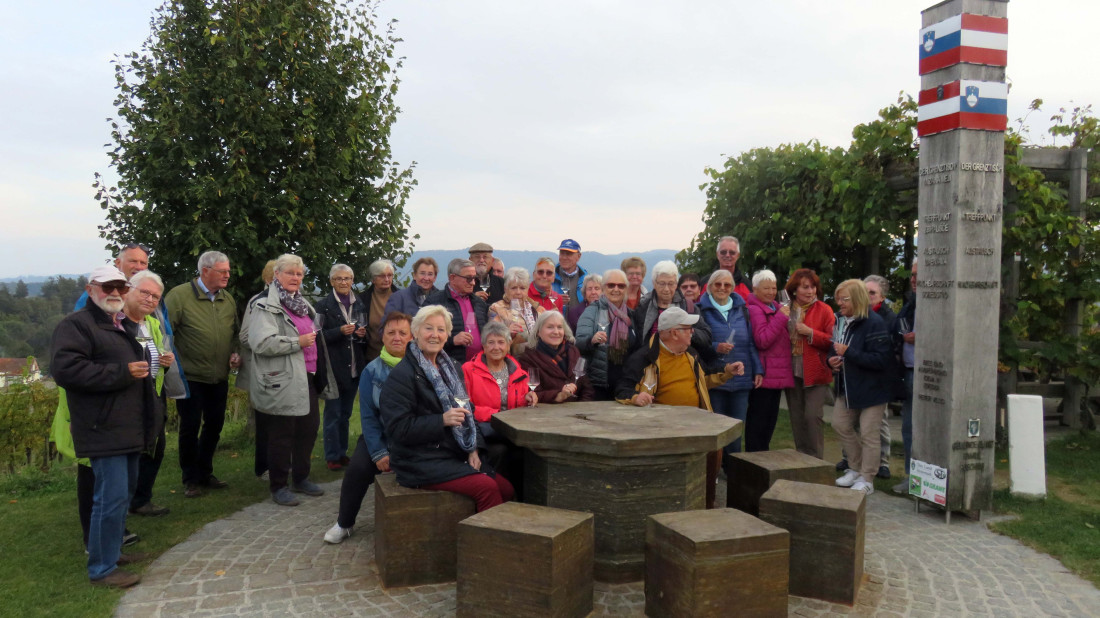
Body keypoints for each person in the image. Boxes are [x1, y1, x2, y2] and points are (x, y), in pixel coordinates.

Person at [50, 265, 163, 588]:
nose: (115, 293)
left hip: (126, 426)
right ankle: (101, 569)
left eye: (120, 288)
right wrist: (123, 372)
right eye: (107, 287)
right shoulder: (77, 325)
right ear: (90, 289)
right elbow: (67, 370)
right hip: (102, 426)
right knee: (109, 498)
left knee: (121, 495)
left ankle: (111, 553)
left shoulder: (117, 324)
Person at [379, 305, 515, 512]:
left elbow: (468, 413)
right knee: (487, 488)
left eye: (441, 329)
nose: (435, 335)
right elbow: (398, 429)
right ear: (415, 333)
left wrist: (474, 448)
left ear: (447, 335)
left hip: (452, 452)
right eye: (428, 328)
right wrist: (441, 420)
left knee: (506, 488)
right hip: (418, 461)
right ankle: (489, 543)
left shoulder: (452, 368)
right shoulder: (402, 375)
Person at [615, 307, 744, 509]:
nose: (693, 332)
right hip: (663, 430)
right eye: (688, 328)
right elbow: (621, 389)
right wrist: (635, 397)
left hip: (697, 424)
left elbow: (705, 377)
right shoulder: (644, 358)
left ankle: (707, 505)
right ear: (674, 333)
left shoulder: (690, 353)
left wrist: (727, 371)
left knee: (714, 450)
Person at [245, 254, 338, 506]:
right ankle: (278, 486)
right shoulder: (265, 305)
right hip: (283, 379)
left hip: (308, 376)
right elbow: (260, 342)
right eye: (290, 273)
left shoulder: (302, 304)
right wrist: (296, 342)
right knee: (282, 434)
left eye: (299, 274)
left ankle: (301, 478)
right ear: (277, 275)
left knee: (308, 430)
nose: (295, 278)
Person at [324, 311, 413, 543]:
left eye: (403, 333)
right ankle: (344, 523)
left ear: (412, 337)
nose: (397, 337)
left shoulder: (421, 368)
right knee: (358, 469)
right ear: (382, 337)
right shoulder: (371, 371)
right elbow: (368, 417)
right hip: (380, 436)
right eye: (391, 332)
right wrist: (379, 452)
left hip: (412, 437)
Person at [164, 250, 240, 498]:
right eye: (223, 271)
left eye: (228, 271)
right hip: (190, 376)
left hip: (219, 376)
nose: (228, 275)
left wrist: (236, 352)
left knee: (215, 425)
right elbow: (166, 333)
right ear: (205, 271)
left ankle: (206, 472)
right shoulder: (179, 296)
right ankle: (190, 479)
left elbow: (236, 333)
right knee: (190, 426)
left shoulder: (227, 299)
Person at [829, 280, 894, 495]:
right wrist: (832, 361)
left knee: (869, 434)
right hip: (847, 387)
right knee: (839, 424)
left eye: (844, 299)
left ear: (857, 299)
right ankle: (855, 467)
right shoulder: (839, 320)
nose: (840, 303)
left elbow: (881, 360)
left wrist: (849, 353)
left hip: (873, 389)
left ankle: (868, 479)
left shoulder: (874, 323)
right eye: (838, 298)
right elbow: (834, 348)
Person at [462, 321, 538, 495]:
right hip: (484, 433)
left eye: (501, 342)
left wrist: (529, 398)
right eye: (491, 342)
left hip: (511, 432)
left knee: (528, 452)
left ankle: (524, 497)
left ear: (509, 344)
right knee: (500, 452)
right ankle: (499, 497)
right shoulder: (468, 370)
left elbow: (521, 405)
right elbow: (467, 407)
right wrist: (498, 416)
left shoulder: (519, 371)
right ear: (483, 345)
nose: (496, 347)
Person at [122, 271, 175, 517]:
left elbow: (156, 355)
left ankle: (141, 499)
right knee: (129, 456)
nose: (150, 300)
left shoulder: (151, 323)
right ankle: (123, 506)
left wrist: (166, 359)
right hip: (126, 401)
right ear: (128, 291)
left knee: (156, 448)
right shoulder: (118, 324)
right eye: (145, 292)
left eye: (155, 297)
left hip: (153, 395)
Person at [698, 269, 762, 461]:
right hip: (715, 377)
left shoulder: (742, 309)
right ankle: (716, 465)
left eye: (726, 285)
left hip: (741, 377)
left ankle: (732, 466)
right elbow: (697, 342)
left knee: (736, 426)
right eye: (717, 284)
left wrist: (758, 369)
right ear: (709, 288)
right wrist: (716, 347)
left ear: (732, 288)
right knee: (716, 425)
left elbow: (751, 343)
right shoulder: (700, 309)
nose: (722, 288)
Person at [315, 264, 369, 471]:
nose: (344, 282)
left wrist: (361, 335)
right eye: (339, 279)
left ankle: (342, 452)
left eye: (347, 278)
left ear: (352, 281)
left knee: (345, 414)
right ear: (331, 282)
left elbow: (362, 331)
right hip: (333, 368)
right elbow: (316, 336)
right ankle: (331, 456)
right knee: (333, 414)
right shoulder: (322, 306)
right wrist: (339, 331)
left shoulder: (359, 303)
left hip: (354, 367)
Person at [783, 268, 835, 460]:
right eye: (805, 287)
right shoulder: (785, 308)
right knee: (797, 418)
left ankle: (815, 460)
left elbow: (832, 340)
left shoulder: (824, 309)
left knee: (812, 417)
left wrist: (810, 332)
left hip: (816, 371)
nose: (810, 291)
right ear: (794, 289)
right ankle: (801, 457)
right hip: (791, 370)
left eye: (813, 287)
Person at [744, 269, 794, 452]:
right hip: (764, 376)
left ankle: (763, 464)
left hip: (776, 374)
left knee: (769, 423)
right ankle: (754, 463)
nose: (771, 292)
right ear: (755, 289)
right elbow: (762, 340)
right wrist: (781, 318)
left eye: (774, 288)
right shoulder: (756, 310)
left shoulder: (775, 308)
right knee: (758, 424)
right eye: (766, 288)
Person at [238, 259, 277, 481]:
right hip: (262, 369)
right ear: (268, 279)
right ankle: (263, 467)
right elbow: (245, 336)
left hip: (282, 372)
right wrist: (269, 345)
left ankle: (280, 464)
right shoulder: (258, 301)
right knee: (265, 421)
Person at [575, 269, 637, 400]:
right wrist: (591, 341)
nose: (616, 289)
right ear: (603, 288)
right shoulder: (592, 311)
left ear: (626, 289)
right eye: (611, 285)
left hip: (625, 386)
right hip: (598, 386)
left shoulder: (630, 315)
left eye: (621, 286)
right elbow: (579, 343)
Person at [633, 260, 711, 352]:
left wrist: (687, 331)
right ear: (654, 284)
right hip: (650, 361)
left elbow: (707, 337)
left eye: (670, 284)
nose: (666, 289)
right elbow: (636, 341)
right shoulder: (643, 306)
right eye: (662, 284)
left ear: (676, 285)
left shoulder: (688, 306)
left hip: (680, 361)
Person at [519, 310, 596, 403]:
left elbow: (586, 386)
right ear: (538, 332)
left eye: (560, 327)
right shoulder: (529, 358)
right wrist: (558, 395)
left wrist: (582, 407)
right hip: (546, 414)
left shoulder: (573, 351)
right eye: (550, 327)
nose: (556, 332)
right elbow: (532, 394)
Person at [427, 258, 489, 365]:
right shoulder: (434, 302)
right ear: (452, 278)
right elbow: (423, 339)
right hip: (448, 367)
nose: (473, 283)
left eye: (475, 278)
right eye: (468, 278)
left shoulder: (479, 303)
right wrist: (452, 340)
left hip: (479, 367)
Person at [893, 260, 918, 495]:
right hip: (909, 371)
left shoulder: (939, 301)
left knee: (923, 427)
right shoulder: (911, 304)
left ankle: (928, 478)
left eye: (918, 275)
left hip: (929, 372)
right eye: (912, 275)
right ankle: (912, 477)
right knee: (908, 426)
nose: (914, 279)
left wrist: (920, 338)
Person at [488, 267, 544, 356]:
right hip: (512, 361)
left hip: (538, 360)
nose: (518, 292)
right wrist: (508, 333)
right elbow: (492, 338)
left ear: (527, 289)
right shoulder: (497, 308)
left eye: (522, 288)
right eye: (513, 288)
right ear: (506, 289)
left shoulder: (537, 309)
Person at [361, 259, 399, 362]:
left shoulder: (402, 297)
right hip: (371, 358)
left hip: (398, 359)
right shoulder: (362, 300)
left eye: (390, 275)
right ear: (373, 279)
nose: (387, 279)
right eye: (382, 276)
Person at [384, 256, 438, 321]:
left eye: (430, 274)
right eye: (422, 273)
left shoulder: (441, 298)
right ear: (414, 275)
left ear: (435, 277)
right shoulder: (398, 298)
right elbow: (387, 325)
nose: (426, 278)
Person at [552, 239, 588, 310]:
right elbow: (539, 302)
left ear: (579, 256)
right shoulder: (548, 276)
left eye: (569, 254)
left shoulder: (586, 279)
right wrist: (556, 301)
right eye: (562, 253)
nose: (564, 258)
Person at [715, 236, 753, 300]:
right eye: (723, 252)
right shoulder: (705, 283)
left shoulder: (748, 286)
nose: (727, 255)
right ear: (717, 254)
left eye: (732, 252)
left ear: (738, 255)